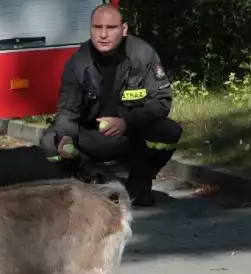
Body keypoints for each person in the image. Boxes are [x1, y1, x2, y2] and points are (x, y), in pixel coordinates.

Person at [40, 3, 183, 207]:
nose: (103, 35)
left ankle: (139, 183)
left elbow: (161, 102)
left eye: (111, 28)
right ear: (90, 29)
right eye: (97, 28)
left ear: (123, 29)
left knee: (169, 131)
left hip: (131, 135)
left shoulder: (143, 55)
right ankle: (94, 179)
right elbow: (67, 111)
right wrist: (65, 139)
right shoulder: (78, 62)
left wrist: (127, 122)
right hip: (92, 137)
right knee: (49, 141)